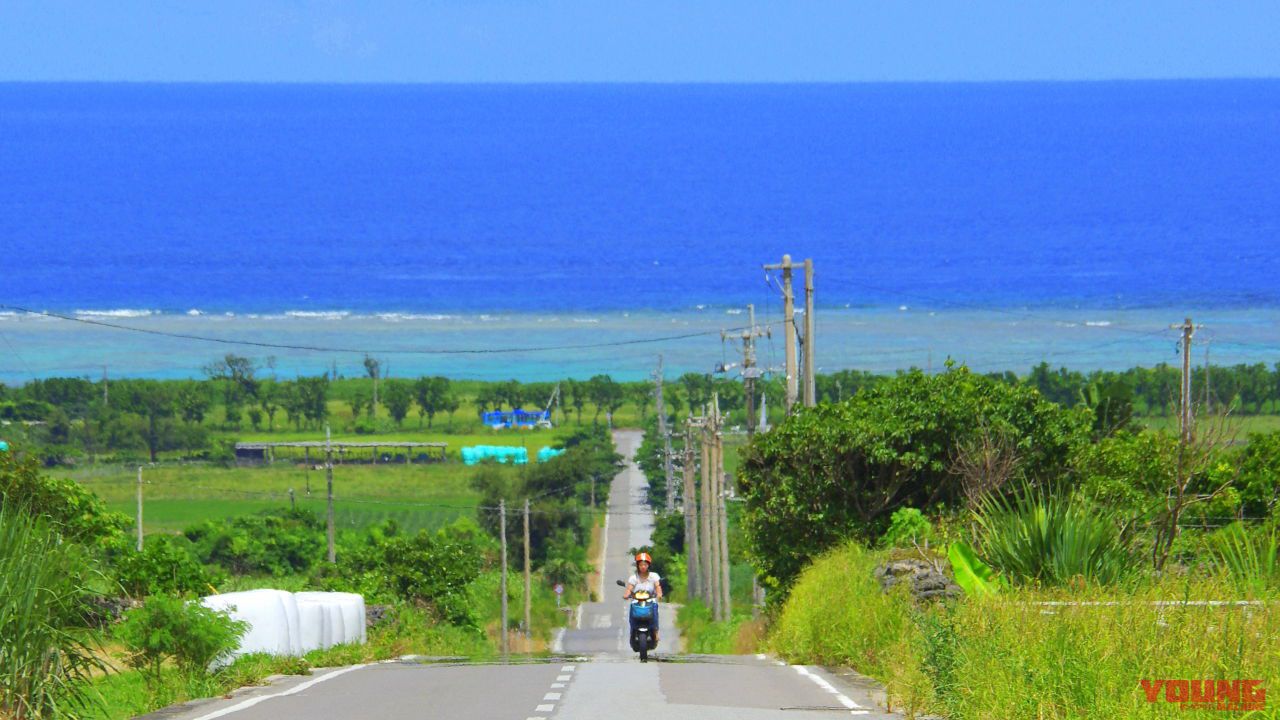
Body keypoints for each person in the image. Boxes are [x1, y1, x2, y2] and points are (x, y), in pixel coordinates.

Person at [623, 552, 662, 645]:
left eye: (645, 564)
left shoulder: (654, 576)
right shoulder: (633, 578)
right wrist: (626, 594)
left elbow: (657, 586)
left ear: (648, 565)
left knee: (655, 608)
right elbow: (629, 588)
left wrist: (659, 593)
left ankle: (655, 631)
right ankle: (633, 630)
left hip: (650, 600)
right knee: (632, 610)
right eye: (641, 565)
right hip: (636, 601)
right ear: (637, 566)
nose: (643, 567)